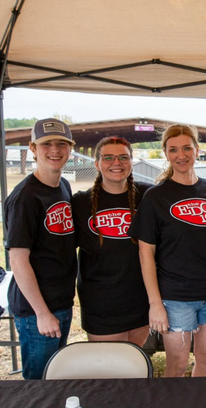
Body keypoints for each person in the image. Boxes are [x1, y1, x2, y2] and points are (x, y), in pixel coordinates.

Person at [128, 124, 206, 377]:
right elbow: (146, 254)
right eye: (173, 149)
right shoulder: (156, 197)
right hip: (176, 298)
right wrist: (155, 304)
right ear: (165, 154)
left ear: (197, 150)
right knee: (177, 366)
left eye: (187, 148)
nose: (181, 155)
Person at [5, 118, 78, 379]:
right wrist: (42, 313)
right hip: (37, 308)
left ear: (71, 148)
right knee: (39, 384)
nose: (55, 150)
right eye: (46, 144)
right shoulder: (25, 197)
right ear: (32, 149)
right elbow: (18, 260)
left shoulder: (63, 186)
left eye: (61, 143)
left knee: (56, 376)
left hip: (61, 300)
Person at [71, 136, 152, 346]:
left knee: (134, 363)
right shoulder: (80, 203)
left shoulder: (148, 195)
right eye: (108, 157)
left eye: (123, 157)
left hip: (140, 298)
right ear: (97, 164)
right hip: (101, 303)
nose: (116, 163)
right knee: (108, 368)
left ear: (131, 162)